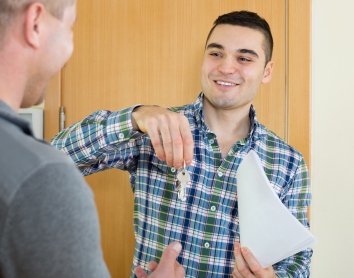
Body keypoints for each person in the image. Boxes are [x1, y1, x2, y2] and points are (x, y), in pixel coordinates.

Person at [52, 10, 313, 278]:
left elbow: (297, 261)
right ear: (203, 60)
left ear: (266, 71)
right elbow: (55, 157)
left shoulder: (290, 163)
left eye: (244, 58)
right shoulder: (152, 129)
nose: (225, 67)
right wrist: (134, 117)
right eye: (216, 53)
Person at [0, 0, 184, 277]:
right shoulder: (42, 177)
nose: (70, 49)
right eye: (70, 27)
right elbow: (61, 152)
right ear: (35, 23)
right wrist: (134, 117)